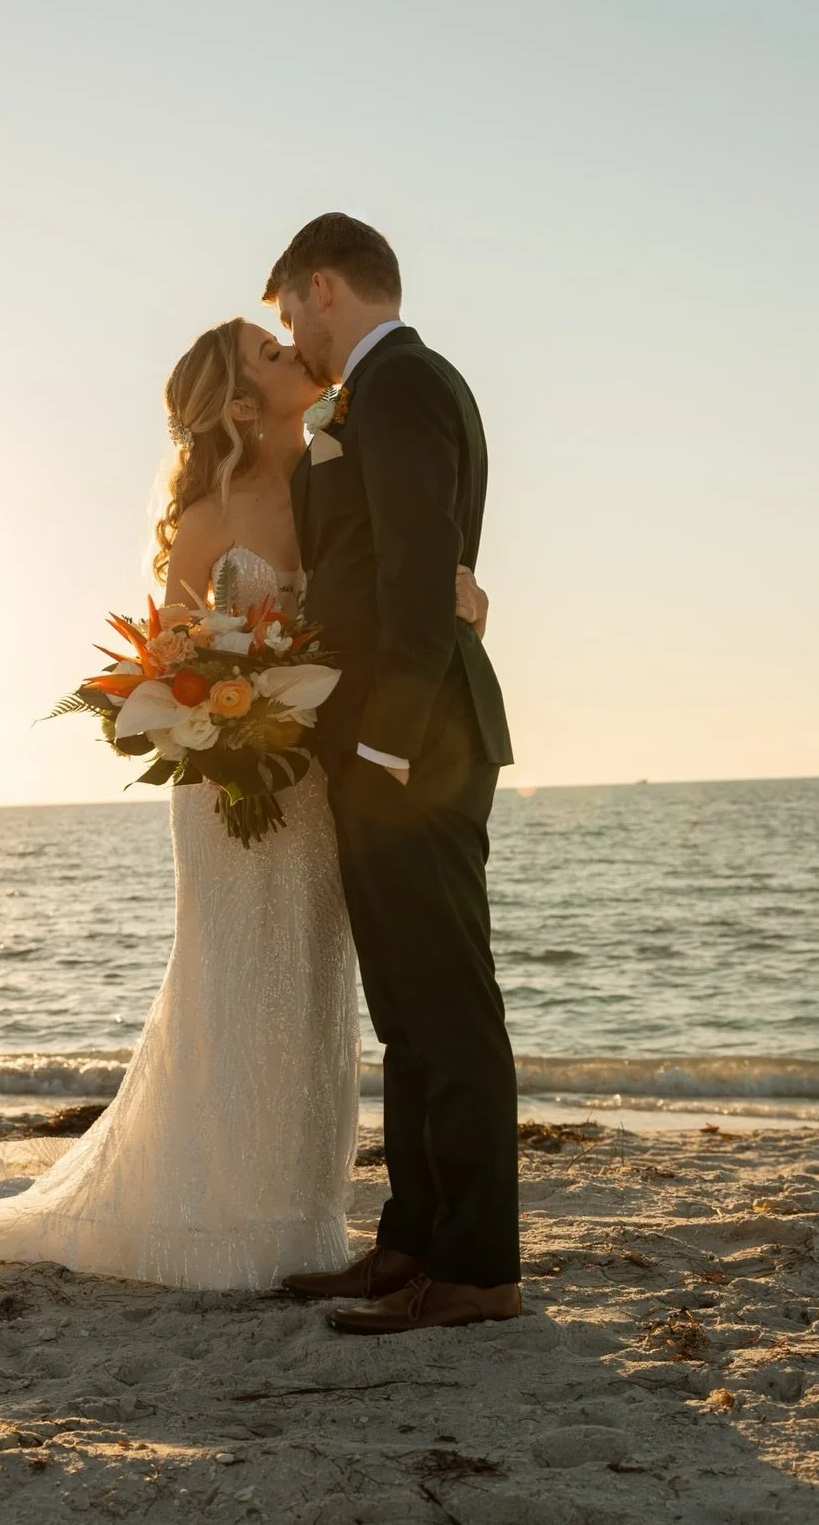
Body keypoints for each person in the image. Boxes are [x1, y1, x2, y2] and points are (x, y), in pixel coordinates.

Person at [0, 313, 485, 1290]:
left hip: (315, 784)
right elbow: (173, 661)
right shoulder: (206, 520)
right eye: (272, 352)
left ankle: (299, 1218)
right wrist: (220, 731)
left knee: (311, 981)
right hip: (228, 781)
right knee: (235, 978)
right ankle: (222, 1218)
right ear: (242, 405)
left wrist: (459, 591)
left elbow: (391, 585)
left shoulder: (335, 479)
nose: (297, 352)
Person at [270, 212, 521, 1334]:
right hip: (387, 742)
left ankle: (475, 1270)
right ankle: (412, 1245)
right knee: (408, 1011)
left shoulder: (407, 385)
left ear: (324, 288)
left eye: (289, 315)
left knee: (447, 1008)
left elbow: (423, 581)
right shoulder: (380, 396)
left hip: (414, 747)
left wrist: (385, 744)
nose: (296, 342)